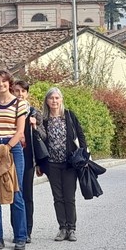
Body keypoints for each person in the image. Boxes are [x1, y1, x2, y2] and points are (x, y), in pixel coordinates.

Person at [0, 70, 28, 250]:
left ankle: (20, 237)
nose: (0, 85)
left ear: (10, 83)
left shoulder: (20, 104)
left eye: (4, 81)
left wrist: (7, 148)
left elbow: (20, 131)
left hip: (12, 148)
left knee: (15, 192)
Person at [41, 87, 87, 242]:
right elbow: (40, 141)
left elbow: (80, 136)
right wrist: (40, 165)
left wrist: (84, 156)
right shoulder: (44, 120)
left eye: (57, 98)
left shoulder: (69, 116)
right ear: (47, 101)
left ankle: (71, 228)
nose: (54, 101)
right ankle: (62, 228)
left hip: (69, 163)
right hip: (52, 164)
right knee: (57, 197)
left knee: (69, 196)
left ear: (61, 100)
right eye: (51, 98)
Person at [13, 80, 46, 244]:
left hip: (28, 159)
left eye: (23, 91)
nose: (20, 94)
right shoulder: (10, 111)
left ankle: (27, 231)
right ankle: (17, 230)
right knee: (14, 195)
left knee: (27, 196)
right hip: (12, 159)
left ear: (27, 94)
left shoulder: (34, 112)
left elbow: (44, 136)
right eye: (17, 91)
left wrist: (35, 126)